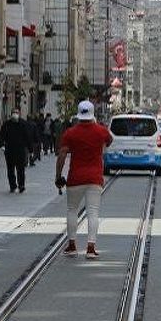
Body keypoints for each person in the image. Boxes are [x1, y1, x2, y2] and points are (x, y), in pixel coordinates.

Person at [55, 101, 113, 260]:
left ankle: (72, 246)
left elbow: (61, 155)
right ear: (92, 113)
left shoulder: (70, 133)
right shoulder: (101, 131)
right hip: (95, 178)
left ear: (78, 114)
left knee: (72, 210)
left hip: (75, 178)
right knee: (93, 212)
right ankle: (91, 248)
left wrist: (58, 176)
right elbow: (110, 140)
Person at [0, 108, 30, 193]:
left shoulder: (23, 124)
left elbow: (27, 136)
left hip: (20, 150)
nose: (15, 114)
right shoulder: (6, 124)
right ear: (11, 114)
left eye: (16, 113)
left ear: (19, 114)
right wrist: (2, 145)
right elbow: (1, 135)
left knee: (21, 169)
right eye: (13, 113)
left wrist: (30, 149)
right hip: (9, 150)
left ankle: (21, 185)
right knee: (10, 169)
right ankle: (12, 185)